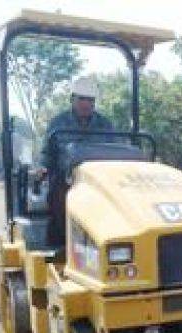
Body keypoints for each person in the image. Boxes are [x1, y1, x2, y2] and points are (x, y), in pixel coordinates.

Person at [40, 76, 115, 246]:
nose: (86, 103)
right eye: (82, 99)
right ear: (72, 99)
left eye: (90, 100)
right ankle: (63, 244)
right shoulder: (58, 123)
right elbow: (47, 154)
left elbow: (115, 150)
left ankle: (104, 243)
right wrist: (42, 168)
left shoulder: (105, 125)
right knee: (58, 196)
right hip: (66, 179)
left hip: (98, 180)